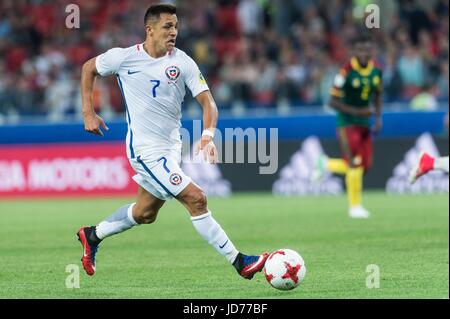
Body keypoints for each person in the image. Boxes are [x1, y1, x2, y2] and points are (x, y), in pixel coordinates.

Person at [77, 4, 268, 279]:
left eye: (176, 26)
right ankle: (240, 262)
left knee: (145, 213)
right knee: (197, 198)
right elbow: (88, 68)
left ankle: (92, 235)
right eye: (167, 26)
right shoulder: (123, 58)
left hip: (170, 150)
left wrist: (207, 137)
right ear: (150, 29)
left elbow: (208, 103)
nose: (174, 32)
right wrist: (88, 113)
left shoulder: (183, 62)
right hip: (144, 151)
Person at [313, 34, 383, 218]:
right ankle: (355, 207)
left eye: (367, 50)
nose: (364, 54)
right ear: (354, 51)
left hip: (365, 123)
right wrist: (357, 112)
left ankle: (327, 164)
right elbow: (332, 102)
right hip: (347, 122)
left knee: (366, 165)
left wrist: (378, 118)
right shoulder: (345, 72)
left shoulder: (376, 71)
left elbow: (377, 94)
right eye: (360, 50)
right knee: (354, 163)